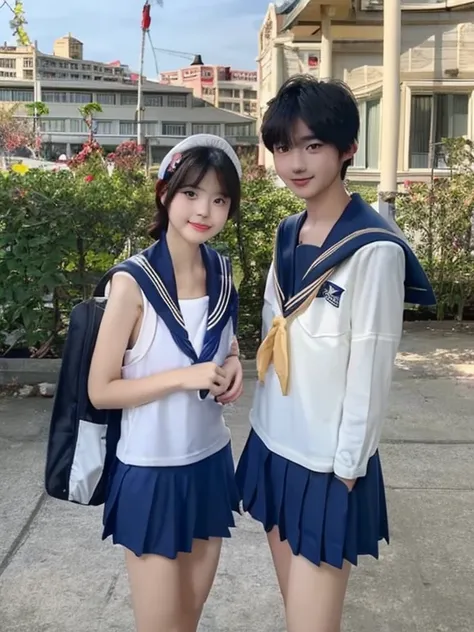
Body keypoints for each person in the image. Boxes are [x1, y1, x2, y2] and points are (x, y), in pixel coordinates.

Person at [235, 75, 435, 632]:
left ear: (348, 148)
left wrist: (348, 468)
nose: (295, 162)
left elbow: (370, 372)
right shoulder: (286, 231)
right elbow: (276, 332)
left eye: (312, 145)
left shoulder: (372, 250)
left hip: (326, 464)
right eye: (282, 148)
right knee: (292, 609)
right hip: (273, 441)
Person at [88, 134, 244, 632]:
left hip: (210, 462)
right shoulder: (131, 284)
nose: (205, 210)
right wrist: (185, 378)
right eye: (192, 194)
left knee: (189, 618)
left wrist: (235, 363)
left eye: (220, 199)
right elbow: (101, 390)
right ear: (166, 194)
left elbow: (224, 341)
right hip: (151, 471)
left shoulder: (222, 270)